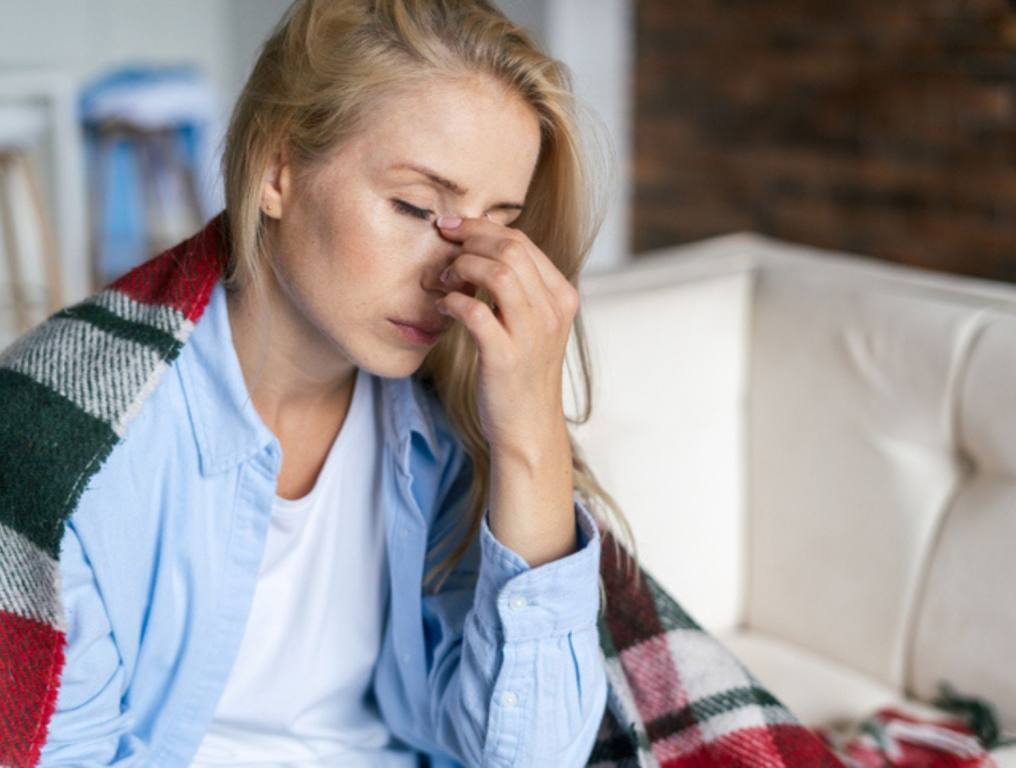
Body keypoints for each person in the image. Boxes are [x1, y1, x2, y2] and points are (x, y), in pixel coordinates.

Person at [36, 0, 641, 764]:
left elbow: (529, 756)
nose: (455, 271)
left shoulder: (449, 430)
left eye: (494, 227)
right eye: (417, 206)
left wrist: (530, 438)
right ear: (279, 171)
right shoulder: (67, 441)